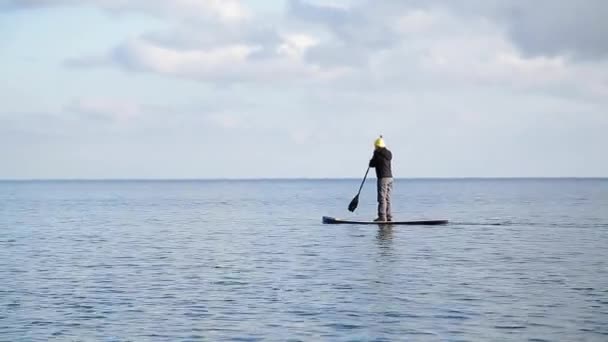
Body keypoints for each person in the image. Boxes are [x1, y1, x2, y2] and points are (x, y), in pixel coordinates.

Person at [369, 135, 393, 221]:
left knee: (381, 197)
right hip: (390, 177)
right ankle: (389, 216)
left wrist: (374, 155)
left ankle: (382, 216)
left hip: (382, 178)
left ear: (378, 146)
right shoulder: (388, 153)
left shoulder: (378, 155)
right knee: (388, 197)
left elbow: (371, 164)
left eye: (375, 147)